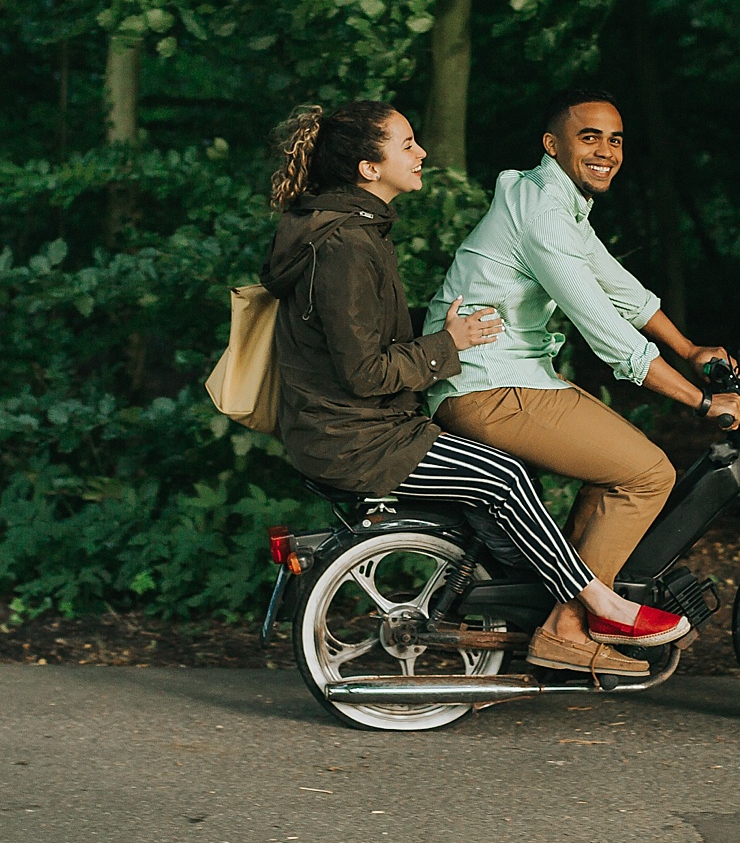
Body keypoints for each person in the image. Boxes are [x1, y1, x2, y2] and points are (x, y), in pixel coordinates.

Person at [259, 99, 689, 677]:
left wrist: (437, 329)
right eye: (406, 145)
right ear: (368, 169)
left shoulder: (355, 234)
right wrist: (450, 342)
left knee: (513, 485)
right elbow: (365, 372)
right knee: (503, 478)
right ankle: (594, 605)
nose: (421, 153)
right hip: (354, 436)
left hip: (371, 425)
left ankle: (559, 613)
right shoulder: (344, 247)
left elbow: (359, 334)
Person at [426, 87, 740, 671]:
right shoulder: (542, 216)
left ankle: (564, 617)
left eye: (616, 139)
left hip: (513, 380)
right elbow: (604, 327)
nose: (607, 150)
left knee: (616, 472)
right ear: (552, 145)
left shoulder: (548, 202)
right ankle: (567, 630)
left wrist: (688, 348)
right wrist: (701, 400)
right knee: (647, 473)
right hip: (489, 388)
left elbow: (616, 283)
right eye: (590, 137)